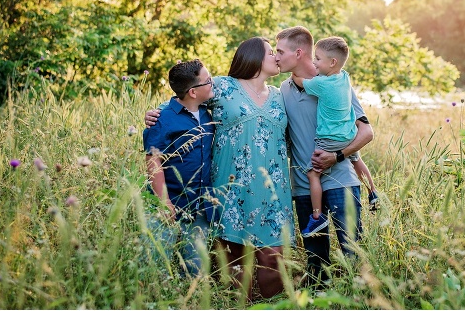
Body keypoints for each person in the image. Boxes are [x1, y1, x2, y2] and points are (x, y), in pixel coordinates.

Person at [145, 37, 292, 299]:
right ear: (255, 58)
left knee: (273, 261)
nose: (277, 57)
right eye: (272, 53)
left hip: (273, 191)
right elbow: (184, 99)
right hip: (230, 189)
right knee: (235, 262)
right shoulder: (223, 87)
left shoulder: (283, 95)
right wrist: (154, 113)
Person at [274, 26, 374, 287]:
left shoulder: (338, 84)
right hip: (304, 185)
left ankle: (360, 301)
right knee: (315, 263)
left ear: (298, 53)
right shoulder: (281, 91)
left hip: (342, 179)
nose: (276, 57)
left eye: (280, 51)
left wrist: (337, 155)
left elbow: (366, 131)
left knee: (353, 251)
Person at [291, 36, 379, 238]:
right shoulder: (345, 78)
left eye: (318, 59)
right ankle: (372, 192)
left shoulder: (322, 84)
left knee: (313, 174)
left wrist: (296, 71)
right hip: (348, 135)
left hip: (329, 139)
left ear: (332, 62)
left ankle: (316, 217)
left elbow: (299, 80)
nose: (314, 62)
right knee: (356, 159)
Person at [142, 58, 218, 277]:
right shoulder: (163, 119)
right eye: (208, 80)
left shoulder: (207, 111)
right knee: (158, 263)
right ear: (193, 92)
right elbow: (153, 160)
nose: (213, 83)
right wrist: (164, 200)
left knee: (196, 267)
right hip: (170, 202)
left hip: (200, 204)